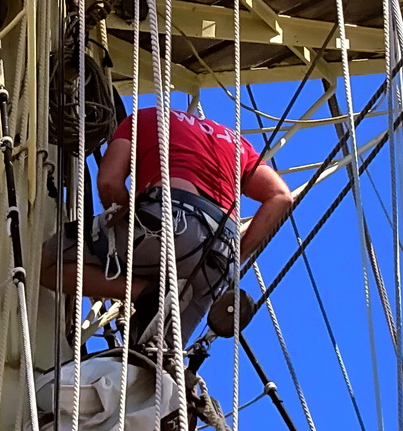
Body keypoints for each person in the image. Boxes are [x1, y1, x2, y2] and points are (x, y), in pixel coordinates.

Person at [43, 104, 295, 348]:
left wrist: (120, 222)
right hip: (216, 262)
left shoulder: (145, 118)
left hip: (166, 224)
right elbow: (281, 197)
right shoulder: (236, 141)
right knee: (158, 363)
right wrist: (237, 256)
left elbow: (110, 183)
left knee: (44, 264)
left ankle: (145, 292)